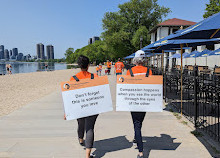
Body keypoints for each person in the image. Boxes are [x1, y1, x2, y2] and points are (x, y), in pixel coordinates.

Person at [68, 55, 98, 158]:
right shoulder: (95, 77)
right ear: (88, 65)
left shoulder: (73, 78)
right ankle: (87, 155)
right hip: (92, 107)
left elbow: (70, 97)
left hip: (79, 107)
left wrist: (67, 111)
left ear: (79, 65)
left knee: (80, 123)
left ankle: (81, 139)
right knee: (89, 128)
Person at [126, 50, 152, 158]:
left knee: (136, 124)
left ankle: (141, 152)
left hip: (134, 101)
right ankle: (136, 137)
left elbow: (126, 86)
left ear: (135, 60)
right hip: (144, 101)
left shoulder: (130, 71)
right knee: (139, 122)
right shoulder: (149, 71)